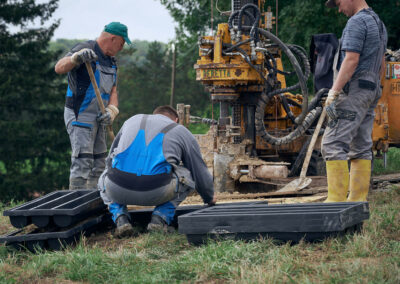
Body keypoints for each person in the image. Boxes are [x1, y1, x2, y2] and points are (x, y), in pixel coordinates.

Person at [98, 105, 216, 237]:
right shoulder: (180, 130)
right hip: (156, 191)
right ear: (176, 119)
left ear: (154, 115)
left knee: (105, 174)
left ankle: (120, 218)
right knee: (188, 175)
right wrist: (209, 197)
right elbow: (198, 171)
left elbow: (110, 160)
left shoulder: (132, 120)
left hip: (117, 189)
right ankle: (160, 219)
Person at [322, 0, 387, 202]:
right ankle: (358, 202)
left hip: (354, 91)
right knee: (360, 146)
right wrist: (378, 88)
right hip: (371, 90)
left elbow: (351, 59)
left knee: (332, 143)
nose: (340, 9)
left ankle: (335, 204)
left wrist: (334, 91)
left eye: (339, 3)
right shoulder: (378, 23)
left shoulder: (357, 22)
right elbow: (382, 62)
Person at [55, 22, 131, 190]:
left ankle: (94, 203)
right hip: (80, 115)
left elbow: (113, 92)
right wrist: (76, 58)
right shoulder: (85, 48)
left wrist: (112, 111)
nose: (122, 47)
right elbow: (59, 67)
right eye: (122, 43)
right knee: (82, 161)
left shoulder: (112, 62)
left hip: (100, 118)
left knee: (100, 163)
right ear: (113, 38)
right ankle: (76, 203)